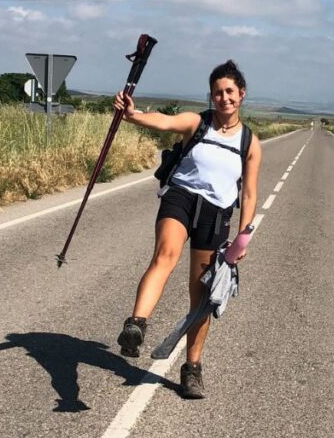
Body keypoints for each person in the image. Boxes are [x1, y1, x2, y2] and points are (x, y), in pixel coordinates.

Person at [112, 59, 261, 399]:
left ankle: (192, 369)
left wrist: (244, 233)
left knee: (202, 296)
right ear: (210, 97)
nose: (223, 98)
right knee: (165, 255)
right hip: (181, 197)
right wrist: (133, 115)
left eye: (229, 92)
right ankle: (136, 324)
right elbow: (164, 122)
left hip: (217, 212)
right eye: (217, 93)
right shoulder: (197, 122)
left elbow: (250, 192)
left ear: (241, 94)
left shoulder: (250, 143)